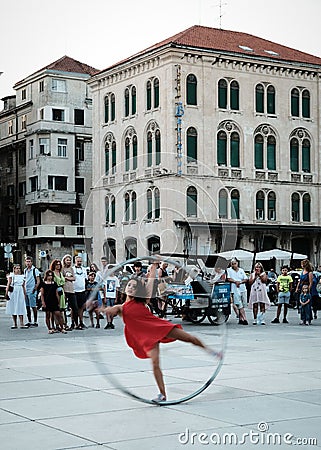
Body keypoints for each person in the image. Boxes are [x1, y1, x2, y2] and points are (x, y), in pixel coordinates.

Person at [102, 262, 220, 402]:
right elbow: (111, 311)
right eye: (129, 285)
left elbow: (151, 282)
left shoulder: (143, 301)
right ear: (125, 288)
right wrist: (101, 309)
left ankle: (211, 351)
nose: (131, 288)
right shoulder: (121, 307)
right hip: (146, 338)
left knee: (189, 338)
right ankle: (162, 394)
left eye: (134, 286)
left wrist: (154, 267)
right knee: (155, 363)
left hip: (158, 327)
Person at [40, 269, 67, 334]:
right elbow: (42, 294)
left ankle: (62, 328)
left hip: (54, 300)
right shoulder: (43, 284)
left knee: (58, 314)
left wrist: (58, 302)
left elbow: (56, 293)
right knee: (48, 315)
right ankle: (50, 328)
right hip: (47, 301)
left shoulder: (54, 283)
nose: (50, 277)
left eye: (51, 276)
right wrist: (43, 302)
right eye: (49, 276)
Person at [5, 264, 29, 329]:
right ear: (14, 269)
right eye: (17, 268)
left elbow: (23, 286)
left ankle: (22, 323)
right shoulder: (11, 276)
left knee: (20, 307)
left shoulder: (22, 276)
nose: (18, 270)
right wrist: (6, 293)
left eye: (19, 268)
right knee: (13, 307)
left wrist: (24, 294)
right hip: (13, 292)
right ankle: (14, 323)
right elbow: (8, 284)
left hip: (20, 292)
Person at [227, 258, 249, 325]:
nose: (234, 265)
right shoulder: (229, 270)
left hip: (242, 288)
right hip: (235, 289)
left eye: (235, 263)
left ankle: (240, 318)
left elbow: (246, 279)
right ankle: (244, 318)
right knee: (239, 304)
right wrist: (235, 281)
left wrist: (240, 282)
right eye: (232, 264)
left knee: (243, 303)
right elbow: (228, 278)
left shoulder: (241, 270)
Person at [24, 256, 41, 327]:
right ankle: (29, 321)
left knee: (33, 306)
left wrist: (35, 288)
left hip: (32, 290)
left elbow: (38, 280)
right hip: (26, 290)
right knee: (27, 307)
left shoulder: (35, 270)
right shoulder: (25, 270)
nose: (28, 263)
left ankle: (35, 321)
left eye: (29, 261)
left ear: (31, 262)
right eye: (27, 261)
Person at [62, 254, 78, 329]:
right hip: (64, 290)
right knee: (63, 307)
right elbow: (62, 278)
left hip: (71, 290)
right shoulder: (62, 269)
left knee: (74, 307)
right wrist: (69, 278)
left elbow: (74, 278)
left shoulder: (71, 269)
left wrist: (67, 278)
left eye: (70, 260)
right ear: (64, 260)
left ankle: (75, 323)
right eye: (67, 260)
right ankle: (65, 323)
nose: (68, 261)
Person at [50, 259, 67, 328]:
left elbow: (63, 284)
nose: (58, 266)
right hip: (55, 291)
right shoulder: (52, 273)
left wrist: (64, 293)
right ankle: (55, 324)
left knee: (62, 309)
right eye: (56, 265)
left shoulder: (60, 273)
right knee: (55, 309)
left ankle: (62, 324)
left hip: (61, 291)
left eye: (59, 265)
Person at [73, 255, 88, 329]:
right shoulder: (72, 269)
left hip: (82, 291)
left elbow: (86, 279)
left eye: (80, 261)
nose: (79, 263)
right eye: (78, 261)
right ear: (75, 261)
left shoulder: (84, 269)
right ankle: (73, 322)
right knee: (74, 308)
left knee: (81, 307)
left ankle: (81, 322)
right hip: (74, 291)